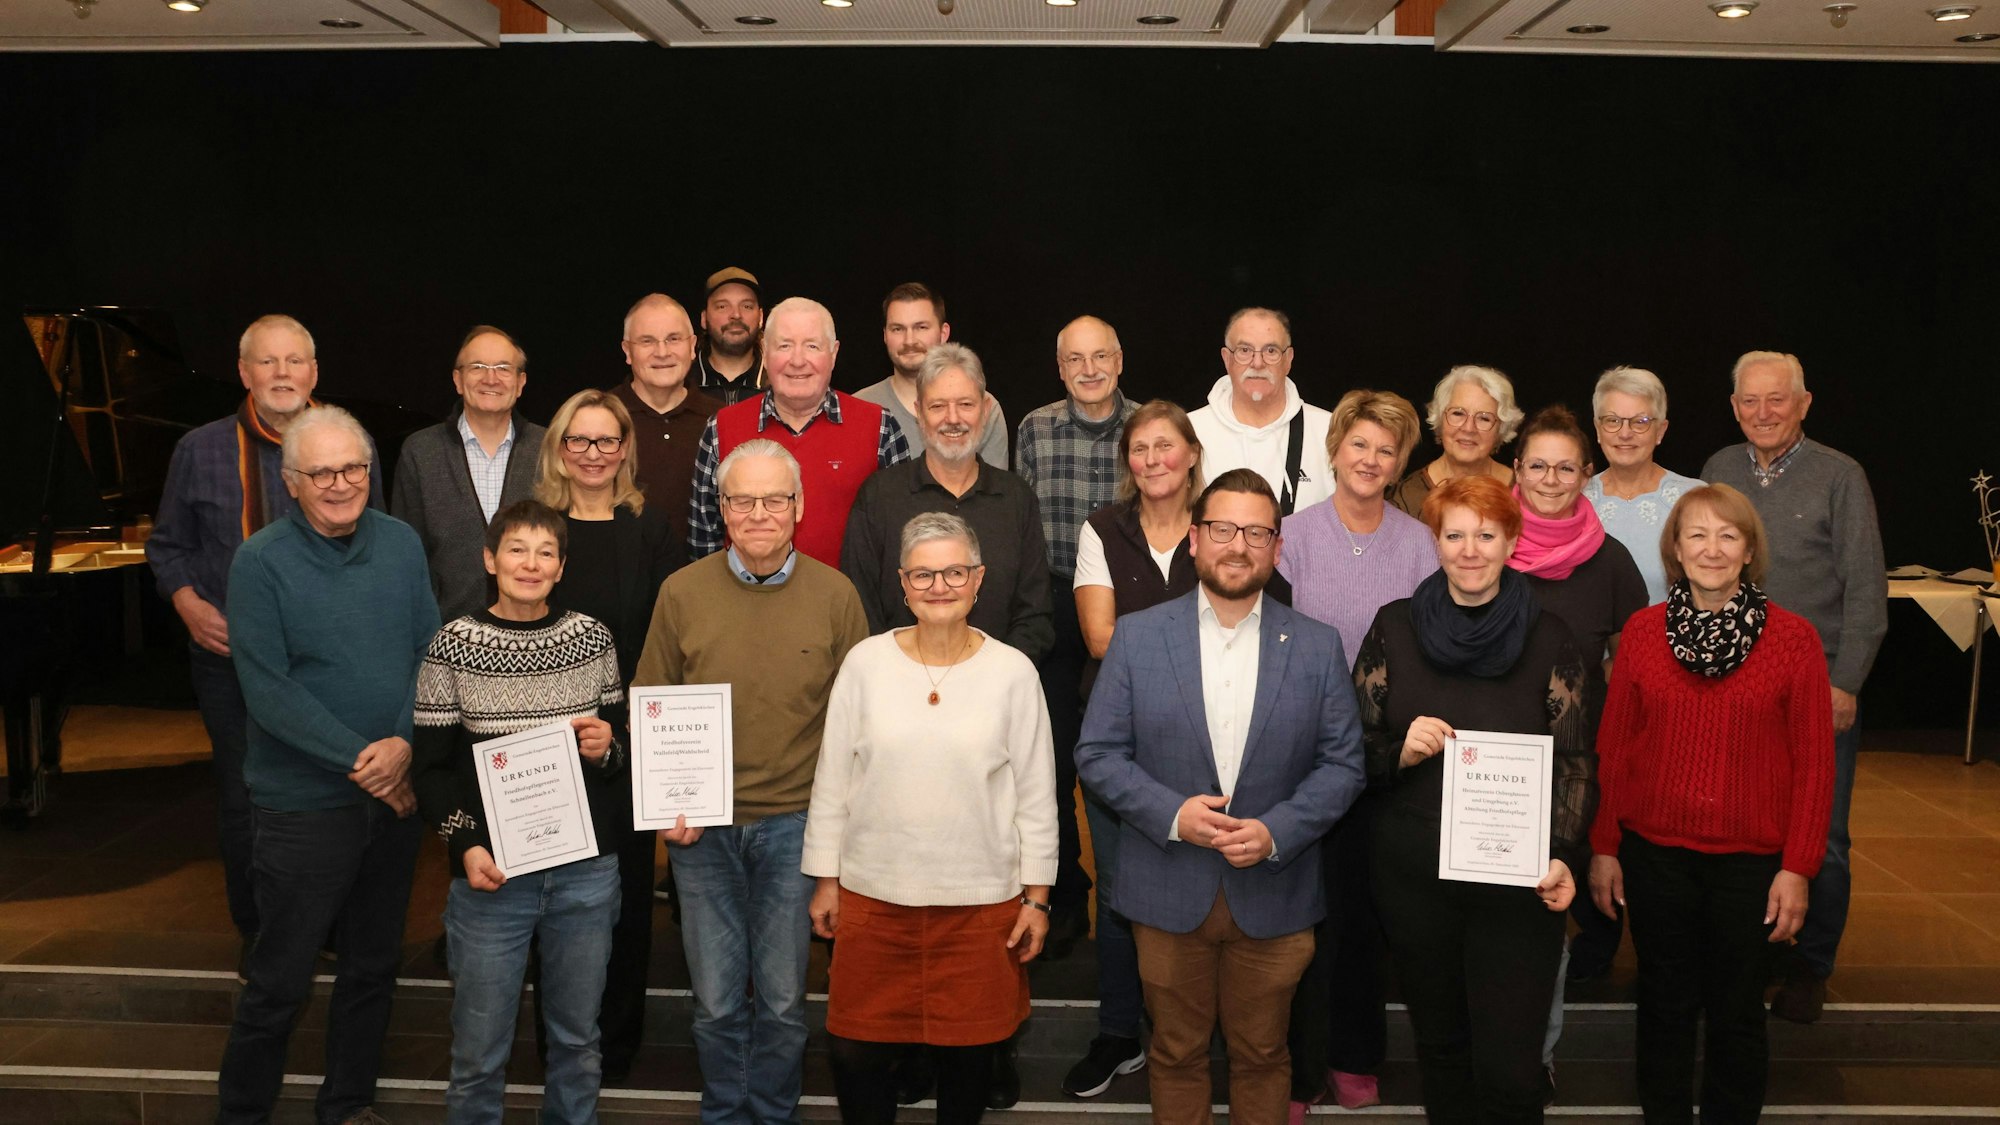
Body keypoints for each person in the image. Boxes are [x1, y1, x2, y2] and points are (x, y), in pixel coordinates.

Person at [1075, 469, 1367, 1125]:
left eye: (1257, 531)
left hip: (1276, 893)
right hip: (1165, 888)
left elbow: (1344, 764)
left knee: (1264, 1054)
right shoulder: (1139, 635)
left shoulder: (1318, 646)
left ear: (1277, 547)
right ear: (1195, 539)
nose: (1239, 544)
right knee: (1175, 1053)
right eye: (1224, 528)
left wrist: (1278, 830)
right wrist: (1171, 814)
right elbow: (1096, 753)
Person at [634, 439, 871, 1125]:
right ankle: (724, 1112)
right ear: (721, 506)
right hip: (699, 833)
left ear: (797, 507)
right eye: (743, 499)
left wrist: (835, 849)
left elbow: (856, 727)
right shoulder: (681, 591)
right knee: (712, 998)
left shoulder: (836, 595)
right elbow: (651, 698)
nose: (759, 512)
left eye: (774, 499)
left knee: (781, 998)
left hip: (793, 827)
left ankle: (771, 1112)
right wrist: (667, 805)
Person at [214, 405, 438, 1125]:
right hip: (302, 808)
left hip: (392, 798)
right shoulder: (260, 562)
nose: (342, 483)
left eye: (354, 468)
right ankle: (242, 1114)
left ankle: (347, 1105)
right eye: (323, 472)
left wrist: (403, 746)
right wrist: (364, 759)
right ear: (290, 482)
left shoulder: (401, 543)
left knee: (372, 969)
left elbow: (428, 654)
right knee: (279, 980)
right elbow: (267, 689)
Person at [1590, 484, 1834, 1124]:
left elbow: (1814, 764)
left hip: (1753, 865)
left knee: (1737, 1017)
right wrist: (1605, 847)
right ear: (1675, 547)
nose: (1712, 549)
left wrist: (1799, 866)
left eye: (1728, 536)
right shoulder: (1643, 633)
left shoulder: (1794, 640)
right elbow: (1614, 749)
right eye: (1696, 534)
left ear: (1750, 550)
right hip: (1655, 857)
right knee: (1663, 1010)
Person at [1353, 474, 1593, 1125]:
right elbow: (1350, 752)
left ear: (1510, 540)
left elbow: (1573, 761)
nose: (1469, 548)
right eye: (1454, 534)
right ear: (1436, 541)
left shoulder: (1551, 637)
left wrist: (1566, 854)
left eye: (1485, 534)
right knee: (1443, 1053)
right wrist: (1398, 749)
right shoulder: (1393, 628)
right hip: (1413, 881)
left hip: (1518, 885)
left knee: (1512, 1070)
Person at [804, 512, 1057, 1125]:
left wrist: (1038, 899)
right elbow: (834, 777)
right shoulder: (865, 663)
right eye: (924, 574)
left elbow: (1036, 795)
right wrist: (826, 879)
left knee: (968, 1068)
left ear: (979, 581)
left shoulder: (1013, 672)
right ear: (901, 582)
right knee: (856, 1056)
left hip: (979, 907)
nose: (939, 585)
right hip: (873, 899)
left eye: (954, 572)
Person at [148, 314, 381, 978]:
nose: (282, 373)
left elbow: (377, 541)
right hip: (231, 665)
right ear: (244, 372)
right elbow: (167, 547)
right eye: (267, 362)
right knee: (245, 796)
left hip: (331, 663)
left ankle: (330, 923)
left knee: (336, 787)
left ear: (315, 372)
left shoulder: (351, 445)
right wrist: (188, 602)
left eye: (295, 361)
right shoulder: (199, 448)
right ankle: (262, 931)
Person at [412, 500, 628, 1124]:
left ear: (561, 566)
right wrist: (465, 846)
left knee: (577, 1042)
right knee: (479, 1053)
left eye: (545, 553)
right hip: (492, 879)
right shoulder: (452, 645)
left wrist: (607, 747)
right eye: (516, 549)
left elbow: (616, 754)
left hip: (584, 878)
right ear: (489, 559)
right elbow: (430, 769)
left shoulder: (592, 640)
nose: (530, 564)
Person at [1699, 350, 1885, 1024]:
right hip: (1735, 689)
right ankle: (1763, 951)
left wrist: (1846, 682)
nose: (1763, 412)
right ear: (1734, 406)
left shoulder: (1840, 475)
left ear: (1804, 403)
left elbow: (1867, 591)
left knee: (1823, 835)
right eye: (1749, 400)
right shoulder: (1719, 470)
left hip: (1817, 691)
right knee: (1752, 828)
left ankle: (1811, 967)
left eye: (1777, 399)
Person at [1274, 389, 1438, 1117]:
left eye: (1386, 449)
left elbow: (1428, 650)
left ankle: (1355, 1052)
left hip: (1388, 758)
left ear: (1400, 461)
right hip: (1302, 755)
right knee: (1300, 917)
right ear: (1335, 450)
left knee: (1365, 913)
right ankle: (1296, 1069)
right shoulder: (1292, 534)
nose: (1371, 459)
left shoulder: (1420, 542)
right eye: (1360, 445)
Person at [532, 388, 684, 1080]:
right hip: (540, 743)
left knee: (623, 900)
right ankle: (558, 1046)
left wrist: (621, 731)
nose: (593, 454)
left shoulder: (649, 530)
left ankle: (615, 1047)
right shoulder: (534, 529)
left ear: (625, 450)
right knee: (550, 903)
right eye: (579, 440)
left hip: (623, 746)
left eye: (606, 441)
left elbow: (664, 639)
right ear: (559, 448)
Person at [1065, 398, 1200, 1100]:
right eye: (1139, 448)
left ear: (1191, 454)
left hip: (1207, 745)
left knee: (1201, 892)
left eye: (1164, 446)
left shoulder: (1219, 527)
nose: (1152, 460)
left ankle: (1189, 1039)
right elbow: (1097, 639)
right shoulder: (1102, 529)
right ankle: (1120, 1033)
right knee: (1120, 896)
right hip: (1118, 743)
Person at [1508, 405, 1647, 996]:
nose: (1550, 479)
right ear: (1515, 469)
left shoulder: (1611, 560)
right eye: (1537, 465)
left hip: (1583, 746)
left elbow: (1634, 656)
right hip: (1501, 744)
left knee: (1587, 857)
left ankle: (1592, 955)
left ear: (1586, 474)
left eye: (1565, 468)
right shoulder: (1489, 546)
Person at [1015, 314, 1140, 969]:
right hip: (1059, 605)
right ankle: (1066, 897)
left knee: (1132, 760)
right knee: (1052, 762)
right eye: (1075, 360)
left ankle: (1136, 903)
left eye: (1101, 357)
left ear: (1119, 361)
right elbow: (1020, 523)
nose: (1089, 370)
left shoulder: (1152, 427)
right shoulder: (1034, 429)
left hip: (1137, 606)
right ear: (1060, 368)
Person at [842, 341, 1053, 660]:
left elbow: (1034, 616)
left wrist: (994, 679)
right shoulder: (879, 496)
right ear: (919, 412)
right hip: (899, 693)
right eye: (938, 406)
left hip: (993, 694)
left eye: (965, 404)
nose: (952, 419)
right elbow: (859, 608)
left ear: (984, 410)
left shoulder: (1016, 499)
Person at [687, 296, 910, 565]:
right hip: (744, 602)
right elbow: (704, 543)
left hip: (849, 605)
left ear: (834, 353)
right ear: (765, 352)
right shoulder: (720, 429)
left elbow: (903, 538)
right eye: (784, 346)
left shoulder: (881, 428)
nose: (797, 360)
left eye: (812, 346)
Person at [392, 324, 547, 622]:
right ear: (458, 380)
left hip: (535, 637)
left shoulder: (549, 449)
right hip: (446, 640)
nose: (491, 378)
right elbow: (406, 555)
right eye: (478, 367)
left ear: (520, 382)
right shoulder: (420, 452)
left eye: (503, 368)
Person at [1188, 308, 1332, 516]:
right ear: (1227, 359)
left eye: (1271, 351)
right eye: (1244, 350)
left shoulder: (1329, 431)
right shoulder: (1190, 430)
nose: (1257, 363)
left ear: (1289, 359)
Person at [1580, 366, 1704, 605]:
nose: (1625, 433)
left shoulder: (1695, 498)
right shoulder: (1574, 499)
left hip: (1671, 640)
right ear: (1597, 429)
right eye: (1612, 420)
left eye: (1640, 422)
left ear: (1660, 431)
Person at [853, 282, 1008, 467]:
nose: (909, 340)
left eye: (921, 327)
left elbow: (995, 490)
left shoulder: (979, 409)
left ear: (944, 333)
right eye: (898, 329)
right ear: (885, 335)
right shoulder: (858, 409)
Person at [611, 293, 724, 546]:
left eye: (673, 339)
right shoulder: (600, 420)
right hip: (620, 580)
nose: (662, 352)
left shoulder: (722, 422)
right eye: (647, 341)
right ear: (627, 351)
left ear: (692, 345)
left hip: (703, 578)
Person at [1389, 365, 1522, 517]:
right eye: (1458, 414)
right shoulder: (1406, 499)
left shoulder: (1525, 492)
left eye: (1484, 418)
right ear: (1440, 419)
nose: (1469, 428)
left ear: (1501, 428)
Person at [693, 266, 766, 405]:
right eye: (722, 306)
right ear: (704, 318)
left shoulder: (779, 385)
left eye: (747, 306)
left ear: (761, 317)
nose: (736, 315)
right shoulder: (684, 385)